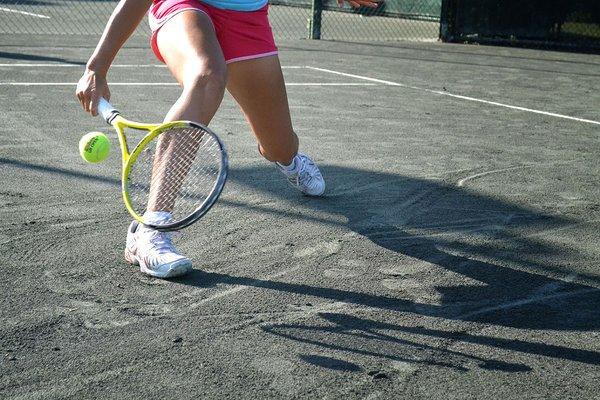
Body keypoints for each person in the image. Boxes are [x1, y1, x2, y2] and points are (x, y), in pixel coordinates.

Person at [76, 0, 378, 279]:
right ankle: (150, 228)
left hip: (247, 17)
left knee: (280, 144)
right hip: (185, 6)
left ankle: (290, 162)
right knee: (206, 75)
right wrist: (96, 66)